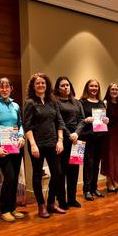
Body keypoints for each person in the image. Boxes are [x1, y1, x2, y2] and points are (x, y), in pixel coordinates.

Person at [23, 73, 65, 218]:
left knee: (58, 173)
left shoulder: (52, 101)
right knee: (37, 174)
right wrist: (33, 145)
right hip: (37, 144)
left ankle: (51, 203)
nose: (41, 85)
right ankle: (41, 205)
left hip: (53, 142)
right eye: (37, 83)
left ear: (47, 85)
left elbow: (59, 122)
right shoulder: (30, 102)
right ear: (33, 86)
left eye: (43, 83)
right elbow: (26, 126)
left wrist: (60, 140)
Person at [0, 77, 25, 222]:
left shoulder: (15, 106)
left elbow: (20, 124)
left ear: (11, 88)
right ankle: (4, 209)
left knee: (15, 178)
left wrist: (21, 136)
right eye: (2, 87)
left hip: (16, 146)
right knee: (9, 177)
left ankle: (12, 208)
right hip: (2, 148)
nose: (4, 89)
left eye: (7, 86)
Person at [53, 76, 84, 209]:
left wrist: (77, 133)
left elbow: (82, 120)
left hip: (76, 139)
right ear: (58, 88)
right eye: (63, 86)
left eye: (67, 85)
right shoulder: (55, 102)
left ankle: (72, 198)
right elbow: (58, 121)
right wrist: (68, 134)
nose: (66, 87)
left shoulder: (77, 102)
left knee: (74, 170)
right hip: (62, 139)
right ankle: (62, 200)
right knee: (61, 171)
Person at [80, 79, 109, 201]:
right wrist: (86, 120)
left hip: (100, 136)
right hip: (88, 136)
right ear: (87, 87)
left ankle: (94, 188)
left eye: (96, 86)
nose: (94, 88)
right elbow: (79, 119)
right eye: (91, 86)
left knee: (97, 163)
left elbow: (104, 118)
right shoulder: (82, 102)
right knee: (89, 163)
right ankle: (86, 190)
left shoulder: (102, 103)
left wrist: (107, 120)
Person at [101, 83, 118, 192]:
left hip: (117, 133)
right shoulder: (105, 103)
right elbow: (101, 119)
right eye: (112, 89)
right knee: (109, 158)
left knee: (116, 157)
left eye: (116, 89)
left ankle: (112, 181)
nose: (114, 91)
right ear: (108, 91)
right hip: (108, 134)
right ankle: (109, 183)